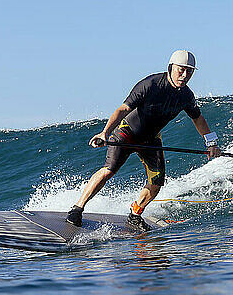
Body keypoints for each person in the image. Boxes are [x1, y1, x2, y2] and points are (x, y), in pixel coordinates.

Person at [66, 50, 222, 231]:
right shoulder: (151, 84)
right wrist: (105, 133)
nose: (185, 75)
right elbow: (123, 109)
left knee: (156, 183)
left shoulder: (186, 96)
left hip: (151, 140)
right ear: (171, 67)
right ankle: (77, 208)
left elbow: (198, 119)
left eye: (189, 71)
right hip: (127, 133)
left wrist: (212, 144)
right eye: (181, 70)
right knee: (109, 170)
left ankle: (135, 214)